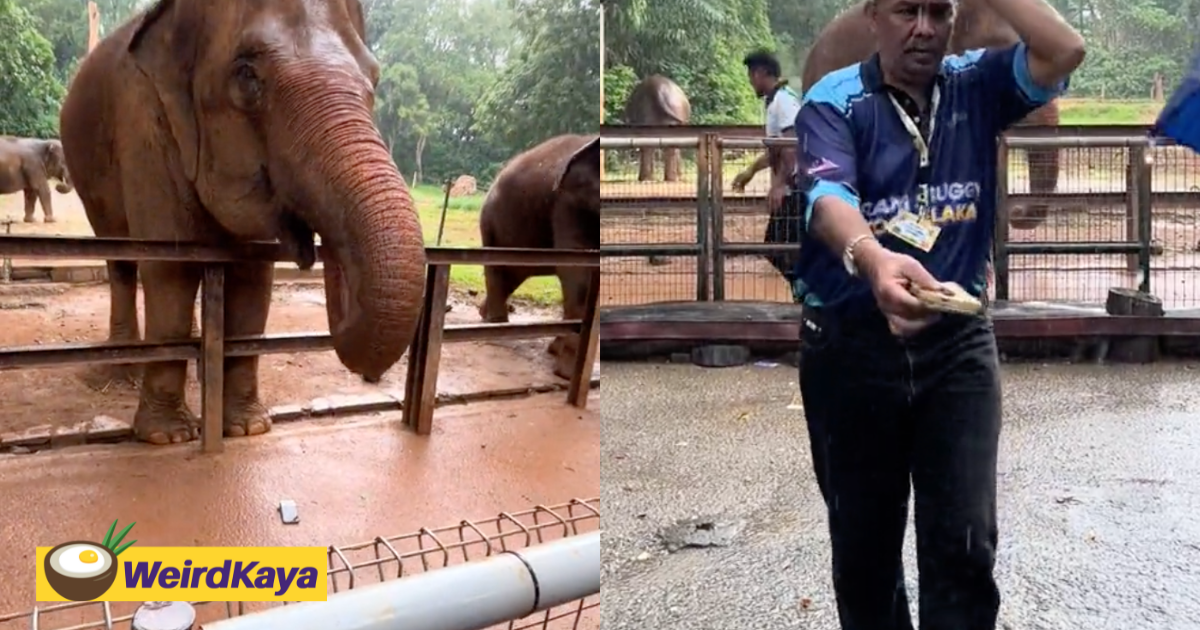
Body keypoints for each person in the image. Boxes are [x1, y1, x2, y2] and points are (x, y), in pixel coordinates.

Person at [791, 0, 1084, 629]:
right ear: (873, 16)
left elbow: (1065, 50)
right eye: (905, 11)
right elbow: (827, 196)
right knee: (865, 555)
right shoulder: (832, 100)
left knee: (967, 546)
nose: (923, 28)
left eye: (938, 11)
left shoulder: (976, 84)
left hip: (957, 344)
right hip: (851, 344)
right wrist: (871, 261)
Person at [732, 50, 806, 298]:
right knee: (782, 246)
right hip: (792, 183)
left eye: (751, 75)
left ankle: (805, 291)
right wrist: (750, 171)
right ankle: (803, 290)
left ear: (762, 73)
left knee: (779, 247)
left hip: (795, 186)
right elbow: (775, 150)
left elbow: (790, 145)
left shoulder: (783, 101)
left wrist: (781, 185)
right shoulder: (776, 101)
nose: (750, 81)